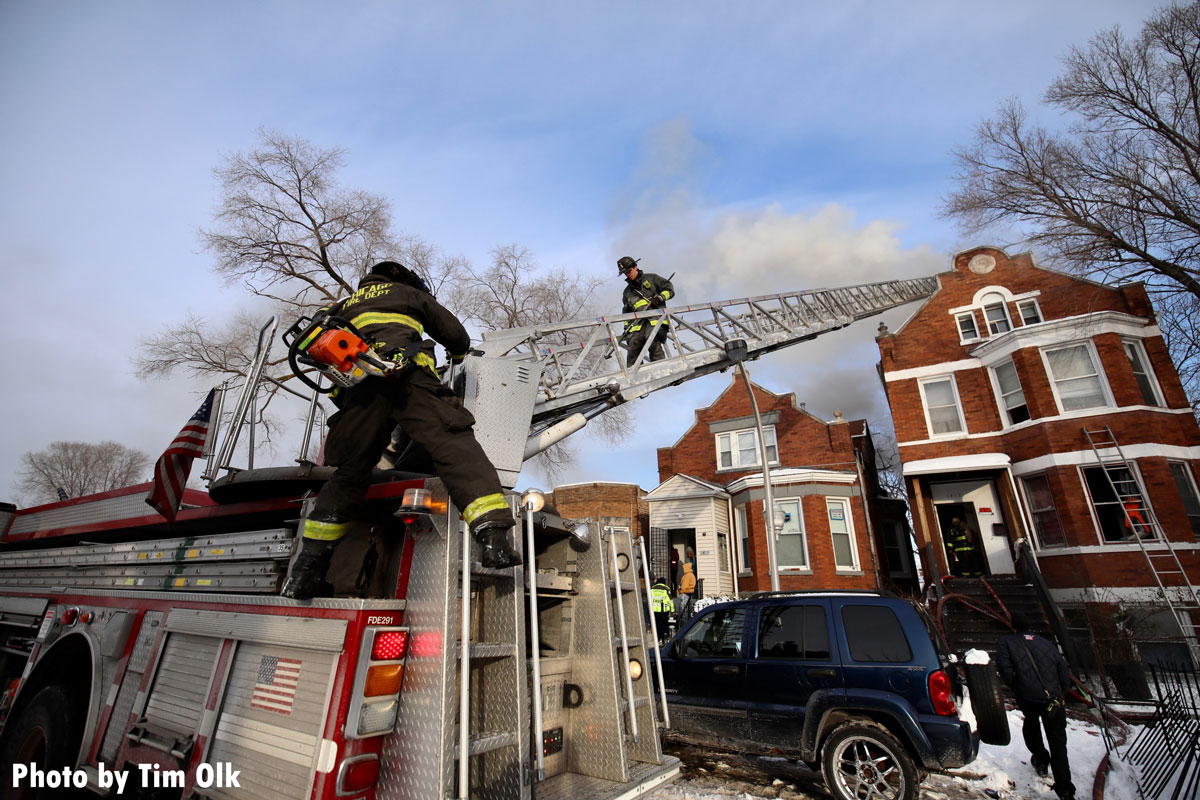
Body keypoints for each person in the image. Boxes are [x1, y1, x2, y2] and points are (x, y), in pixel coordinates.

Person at [283, 260, 520, 600]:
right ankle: (494, 541)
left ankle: (306, 572)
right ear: (403, 279)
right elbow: (455, 336)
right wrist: (456, 355)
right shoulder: (406, 293)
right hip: (408, 381)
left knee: (349, 474)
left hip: (361, 394)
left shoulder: (338, 308)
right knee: (453, 445)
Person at [996, 612, 1076, 800]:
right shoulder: (1047, 644)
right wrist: (1063, 692)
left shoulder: (1007, 643)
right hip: (1053, 700)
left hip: (1029, 697)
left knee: (1031, 726)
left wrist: (1017, 685)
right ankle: (1065, 788)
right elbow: (1063, 669)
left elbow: (1004, 669)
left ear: (1013, 625)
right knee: (1058, 742)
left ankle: (1040, 758)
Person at [617, 256, 674, 367]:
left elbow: (669, 289)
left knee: (651, 339)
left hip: (656, 322)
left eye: (629, 271)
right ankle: (634, 376)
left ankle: (661, 369)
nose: (628, 275)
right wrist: (627, 330)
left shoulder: (652, 279)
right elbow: (626, 313)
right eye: (625, 273)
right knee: (633, 346)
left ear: (635, 267)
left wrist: (659, 298)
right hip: (638, 326)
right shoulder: (627, 292)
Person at [650, 574, 675, 642]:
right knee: (664, 624)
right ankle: (664, 637)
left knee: (656, 624)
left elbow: (649, 599)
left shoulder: (653, 588)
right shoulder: (666, 589)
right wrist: (672, 610)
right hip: (663, 610)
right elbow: (670, 601)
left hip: (654, 610)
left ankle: (657, 638)